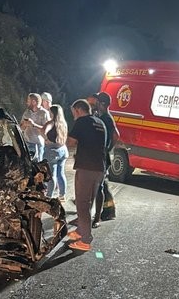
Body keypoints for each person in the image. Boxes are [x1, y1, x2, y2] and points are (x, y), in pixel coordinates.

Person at [66, 99, 106, 252]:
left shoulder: (82, 122)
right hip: (99, 168)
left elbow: (71, 142)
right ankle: (81, 231)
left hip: (86, 168)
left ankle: (86, 240)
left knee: (82, 204)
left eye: (73, 113)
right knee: (88, 202)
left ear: (78, 110)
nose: (74, 116)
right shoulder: (99, 122)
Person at [92, 91, 120, 227]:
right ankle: (109, 211)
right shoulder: (104, 116)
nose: (95, 103)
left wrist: (107, 149)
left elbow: (116, 136)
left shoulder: (106, 118)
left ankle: (105, 213)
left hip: (103, 156)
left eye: (97, 101)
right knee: (104, 184)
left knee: (100, 186)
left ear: (102, 104)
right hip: (104, 155)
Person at [42, 104, 68, 202]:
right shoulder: (63, 123)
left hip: (52, 151)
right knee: (60, 174)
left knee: (51, 175)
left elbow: (44, 130)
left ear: (52, 112)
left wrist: (45, 138)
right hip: (63, 149)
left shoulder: (52, 122)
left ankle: (49, 195)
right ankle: (62, 195)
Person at [20, 93, 51, 161]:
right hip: (27, 143)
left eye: (28, 101)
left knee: (38, 166)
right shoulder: (26, 112)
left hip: (38, 144)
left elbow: (47, 130)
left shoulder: (44, 113)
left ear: (34, 102)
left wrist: (33, 124)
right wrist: (24, 125)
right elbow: (21, 128)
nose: (26, 103)